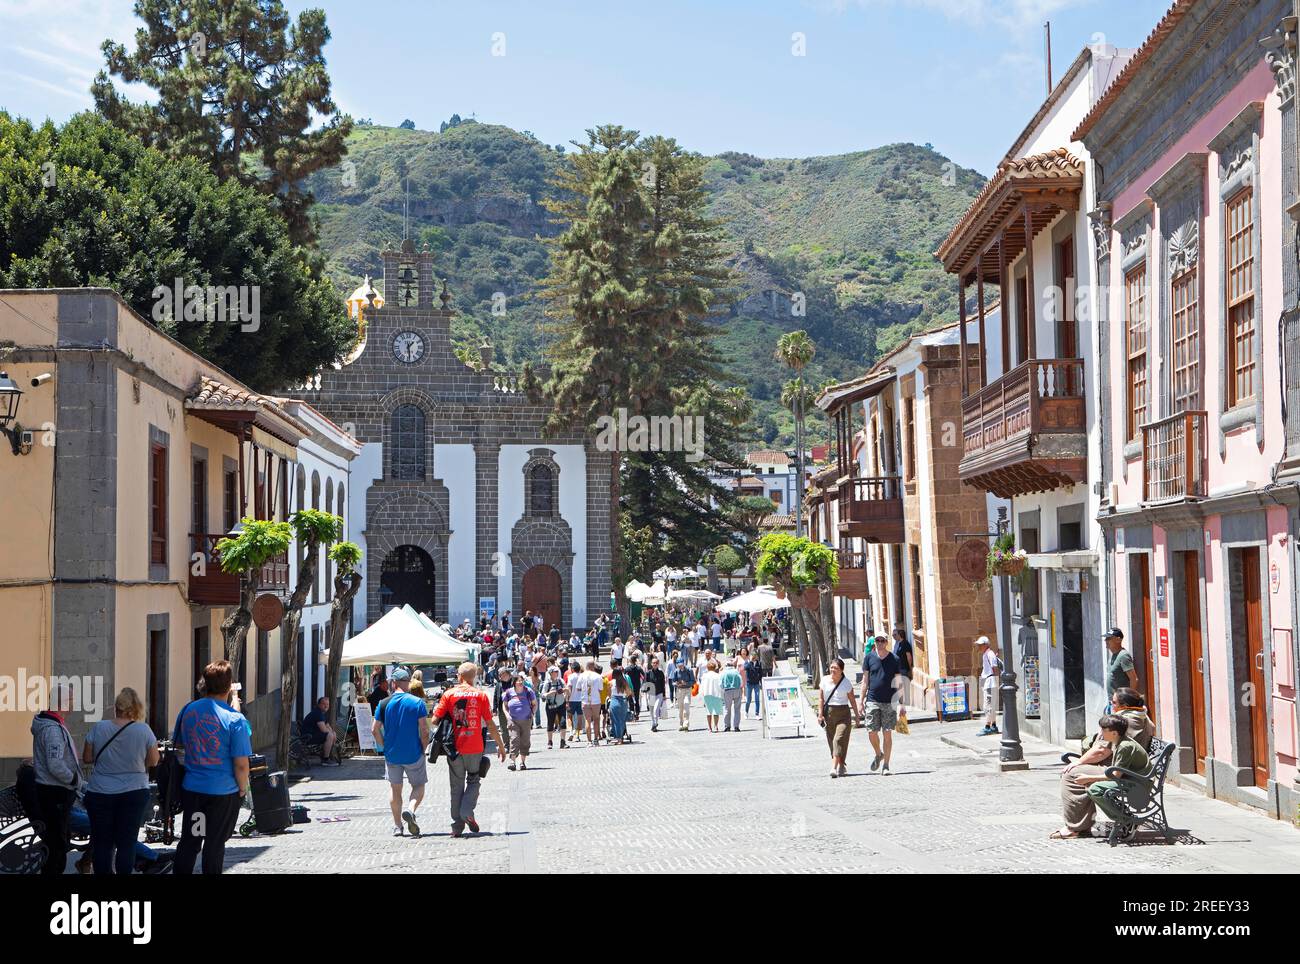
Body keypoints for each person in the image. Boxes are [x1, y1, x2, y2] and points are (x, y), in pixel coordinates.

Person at [173, 660, 251, 874]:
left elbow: (179, 744)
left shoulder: (188, 710)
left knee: (191, 841)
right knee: (215, 845)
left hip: (194, 789)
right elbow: (242, 764)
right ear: (229, 686)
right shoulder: (235, 720)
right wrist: (242, 789)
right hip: (222, 793)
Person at [81, 687, 159, 875]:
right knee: (127, 843)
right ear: (135, 708)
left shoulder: (99, 728)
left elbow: (87, 757)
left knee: (102, 843)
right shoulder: (144, 730)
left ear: (116, 708)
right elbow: (153, 760)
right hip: (134, 791)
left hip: (100, 792)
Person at [431, 662, 506, 837]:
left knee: (456, 786)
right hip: (475, 746)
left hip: (454, 748)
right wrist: (500, 746)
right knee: (473, 780)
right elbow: (490, 724)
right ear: (475, 677)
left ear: (459, 676)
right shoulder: (481, 696)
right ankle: (467, 812)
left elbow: (434, 720)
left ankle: (457, 827)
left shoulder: (448, 694)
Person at [1052, 713, 1151, 840]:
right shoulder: (1119, 741)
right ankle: (1123, 819)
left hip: (1136, 783)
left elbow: (1115, 775)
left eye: (1104, 730)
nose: (1101, 733)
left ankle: (1127, 820)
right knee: (1092, 786)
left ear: (1114, 733)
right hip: (1129, 777)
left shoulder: (1125, 746)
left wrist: (1088, 777)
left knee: (1094, 789)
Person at [31, 684, 84, 875]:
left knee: (58, 842)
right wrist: (74, 780)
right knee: (58, 845)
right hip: (55, 793)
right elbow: (55, 765)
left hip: (52, 792)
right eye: (70, 700)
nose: (73, 703)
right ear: (62, 702)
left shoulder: (52, 724)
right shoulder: (52, 729)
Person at [371, 669, 429, 838]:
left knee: (395, 789)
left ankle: (397, 826)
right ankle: (410, 810)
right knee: (418, 786)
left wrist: (384, 746)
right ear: (408, 682)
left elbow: (374, 730)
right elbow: (424, 730)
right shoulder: (417, 703)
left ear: (393, 683)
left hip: (392, 754)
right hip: (413, 752)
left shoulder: (383, 703)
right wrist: (423, 748)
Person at [861, 634, 902, 776]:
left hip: (889, 702)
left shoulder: (894, 659)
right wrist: (861, 701)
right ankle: (879, 754)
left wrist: (902, 703)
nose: (879, 643)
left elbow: (898, 681)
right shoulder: (869, 658)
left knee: (887, 733)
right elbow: (865, 680)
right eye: (877, 641)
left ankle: (886, 765)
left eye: (882, 640)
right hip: (872, 699)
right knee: (871, 731)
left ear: (886, 642)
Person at [819, 658, 859, 778]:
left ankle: (834, 768)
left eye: (836, 668)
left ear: (841, 670)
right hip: (829, 714)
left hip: (843, 714)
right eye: (831, 667)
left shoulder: (846, 683)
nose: (833, 670)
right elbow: (821, 699)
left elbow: (852, 700)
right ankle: (841, 764)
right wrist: (820, 715)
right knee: (832, 742)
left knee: (838, 739)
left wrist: (857, 716)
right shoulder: (824, 680)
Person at [503, 674, 537, 769]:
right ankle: (512, 762)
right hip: (513, 720)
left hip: (526, 720)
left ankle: (522, 762)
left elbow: (534, 704)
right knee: (514, 739)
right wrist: (507, 715)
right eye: (518, 681)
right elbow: (504, 705)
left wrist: (532, 713)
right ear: (514, 683)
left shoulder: (528, 691)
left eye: (521, 680)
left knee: (525, 741)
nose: (520, 682)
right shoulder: (509, 692)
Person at [300, 695, 339, 765]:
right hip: (308, 737)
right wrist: (332, 734)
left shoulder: (322, 713)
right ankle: (325, 759)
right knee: (329, 735)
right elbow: (324, 729)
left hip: (313, 735)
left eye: (327, 704)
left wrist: (333, 733)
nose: (326, 706)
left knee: (332, 734)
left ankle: (326, 755)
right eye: (324, 704)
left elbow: (328, 726)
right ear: (319, 705)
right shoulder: (317, 713)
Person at [976, 636, 1003, 736]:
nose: (979, 646)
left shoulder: (989, 654)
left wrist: (996, 682)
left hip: (990, 682)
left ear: (985, 645)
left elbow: (994, 668)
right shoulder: (986, 654)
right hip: (988, 682)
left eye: (980, 645)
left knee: (988, 706)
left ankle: (987, 726)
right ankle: (993, 725)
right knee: (991, 705)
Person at [1104, 628, 1138, 705]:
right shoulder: (1114, 655)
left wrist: (1129, 700)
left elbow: (1134, 679)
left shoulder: (1123, 656)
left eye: (1109, 638)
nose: (1105, 641)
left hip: (1121, 703)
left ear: (1118, 640)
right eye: (1106, 638)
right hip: (1114, 702)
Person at [541, 665, 569, 750]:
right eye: (554, 672)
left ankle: (563, 741)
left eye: (557, 672)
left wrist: (565, 694)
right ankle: (550, 741)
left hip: (561, 704)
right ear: (550, 673)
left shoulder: (561, 681)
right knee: (550, 723)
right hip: (551, 705)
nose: (556, 673)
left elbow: (567, 689)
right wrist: (550, 693)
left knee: (563, 723)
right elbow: (542, 695)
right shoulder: (547, 683)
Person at [580, 660, 605, 746]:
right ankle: (596, 739)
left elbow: (578, 688)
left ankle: (589, 741)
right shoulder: (598, 676)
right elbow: (601, 689)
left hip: (585, 700)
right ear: (593, 667)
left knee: (587, 720)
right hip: (595, 700)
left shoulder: (582, 676)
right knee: (596, 720)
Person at [491, 665, 514, 754]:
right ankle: (506, 745)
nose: (502, 676)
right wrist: (494, 709)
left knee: (513, 727)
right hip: (501, 709)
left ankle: (514, 745)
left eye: (504, 674)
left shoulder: (513, 683)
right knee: (503, 728)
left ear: (508, 674)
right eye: (501, 675)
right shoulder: (498, 684)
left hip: (513, 709)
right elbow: (495, 696)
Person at [892, 628, 914, 721]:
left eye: (895, 635)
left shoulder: (905, 644)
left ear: (900, 635)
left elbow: (909, 657)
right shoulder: (896, 643)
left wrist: (910, 668)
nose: (893, 636)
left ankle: (903, 706)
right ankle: (902, 704)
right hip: (897, 669)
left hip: (904, 669)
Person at [698, 659, 725, 733]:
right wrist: (722, 695)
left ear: (707, 668)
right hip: (716, 694)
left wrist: (701, 695)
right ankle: (716, 726)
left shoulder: (704, 676)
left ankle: (709, 727)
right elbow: (721, 686)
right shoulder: (718, 676)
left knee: (709, 712)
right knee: (716, 711)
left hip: (707, 694)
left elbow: (702, 686)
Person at [607, 667, 631, 745]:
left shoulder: (610, 682)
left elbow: (609, 694)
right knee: (622, 720)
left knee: (615, 721)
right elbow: (629, 692)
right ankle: (621, 737)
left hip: (614, 701)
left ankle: (618, 737)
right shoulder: (624, 682)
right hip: (622, 702)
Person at [671, 656, 696, 732]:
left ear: (684, 663)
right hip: (679, 690)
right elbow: (673, 681)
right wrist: (676, 684)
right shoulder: (676, 671)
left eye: (681, 664)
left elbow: (693, 681)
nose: (680, 666)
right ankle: (681, 724)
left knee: (686, 704)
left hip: (687, 689)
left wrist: (686, 683)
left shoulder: (689, 670)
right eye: (678, 665)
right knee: (680, 708)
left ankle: (686, 723)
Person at [720, 658, 744, 732]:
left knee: (727, 709)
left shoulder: (724, 672)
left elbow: (720, 684)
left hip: (727, 691)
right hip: (737, 690)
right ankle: (736, 726)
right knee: (737, 709)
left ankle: (727, 726)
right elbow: (741, 681)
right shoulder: (736, 671)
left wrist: (723, 689)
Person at [646, 655, 668, 732]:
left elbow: (663, 685)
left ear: (658, 664)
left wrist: (664, 695)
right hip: (651, 694)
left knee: (656, 709)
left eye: (656, 663)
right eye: (653, 663)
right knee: (651, 710)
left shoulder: (661, 673)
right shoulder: (648, 673)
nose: (655, 664)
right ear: (651, 664)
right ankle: (654, 723)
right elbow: (646, 683)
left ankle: (655, 723)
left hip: (659, 694)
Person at [742, 647, 764, 719]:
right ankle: (746, 712)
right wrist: (750, 661)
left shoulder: (759, 663)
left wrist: (761, 683)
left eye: (755, 656)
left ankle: (757, 714)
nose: (754, 657)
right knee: (748, 699)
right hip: (749, 683)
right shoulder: (747, 663)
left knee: (757, 699)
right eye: (753, 656)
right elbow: (745, 668)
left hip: (756, 683)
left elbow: (760, 673)